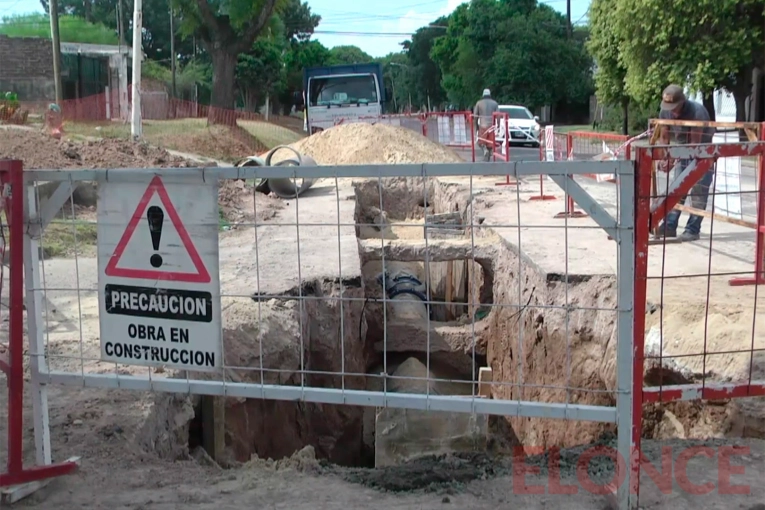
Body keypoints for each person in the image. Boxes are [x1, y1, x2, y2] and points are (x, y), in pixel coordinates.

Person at [655, 84, 716, 242]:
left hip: (703, 153)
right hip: (682, 151)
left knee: (698, 192)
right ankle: (669, 226)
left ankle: (692, 229)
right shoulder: (665, 111)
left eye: (675, 107)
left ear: (683, 101)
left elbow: (694, 144)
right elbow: (664, 136)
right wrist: (665, 157)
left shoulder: (697, 112)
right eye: (669, 107)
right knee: (677, 189)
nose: (672, 111)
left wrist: (674, 158)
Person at [473, 89, 499, 162]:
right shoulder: (495, 103)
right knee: (490, 144)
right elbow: (498, 116)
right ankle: (487, 159)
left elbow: (475, 116)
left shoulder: (479, 103)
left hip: (482, 125)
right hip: (491, 126)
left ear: (483, 95)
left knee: (480, 142)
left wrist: (476, 127)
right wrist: (498, 126)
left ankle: (485, 151)